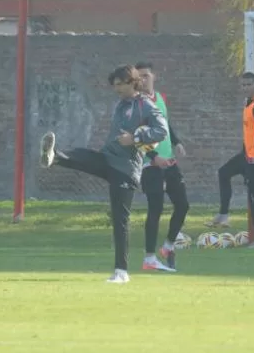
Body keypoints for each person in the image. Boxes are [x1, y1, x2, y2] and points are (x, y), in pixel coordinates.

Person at [39, 64, 168, 284]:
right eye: (114, 85)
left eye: (120, 84)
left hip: (126, 169)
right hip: (108, 159)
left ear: (132, 82)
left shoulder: (145, 106)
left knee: (120, 220)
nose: (116, 88)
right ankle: (55, 157)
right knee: (82, 156)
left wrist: (136, 138)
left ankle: (122, 271)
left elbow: (161, 131)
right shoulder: (120, 104)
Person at [208, 72, 254, 248]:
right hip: (246, 157)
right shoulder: (248, 105)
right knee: (223, 172)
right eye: (243, 85)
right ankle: (224, 214)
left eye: (249, 84)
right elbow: (251, 134)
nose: (245, 88)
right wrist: (243, 153)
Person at [134, 62, 189, 272]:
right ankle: (149, 257)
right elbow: (138, 134)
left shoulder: (160, 98)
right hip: (151, 165)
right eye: (139, 77)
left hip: (170, 162)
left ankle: (167, 246)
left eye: (146, 75)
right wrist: (154, 156)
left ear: (153, 76)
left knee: (183, 205)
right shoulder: (138, 104)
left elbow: (165, 123)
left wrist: (177, 142)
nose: (143, 80)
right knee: (155, 209)